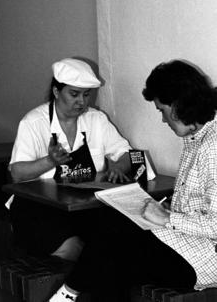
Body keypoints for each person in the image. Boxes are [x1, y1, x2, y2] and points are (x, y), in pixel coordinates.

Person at [50, 59, 217, 302]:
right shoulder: (196, 138)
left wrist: (168, 217)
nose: (162, 120)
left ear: (179, 105)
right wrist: (171, 209)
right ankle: (68, 294)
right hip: (186, 241)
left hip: (204, 257)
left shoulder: (212, 146)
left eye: (162, 110)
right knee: (111, 241)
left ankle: (67, 294)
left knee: (112, 249)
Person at [8, 57, 145, 263]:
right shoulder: (33, 123)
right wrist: (50, 161)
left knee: (116, 242)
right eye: (74, 94)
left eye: (86, 95)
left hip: (85, 206)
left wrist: (118, 166)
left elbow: (128, 154)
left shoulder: (96, 120)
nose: (82, 102)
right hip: (39, 207)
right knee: (72, 249)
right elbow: (17, 174)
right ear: (56, 92)